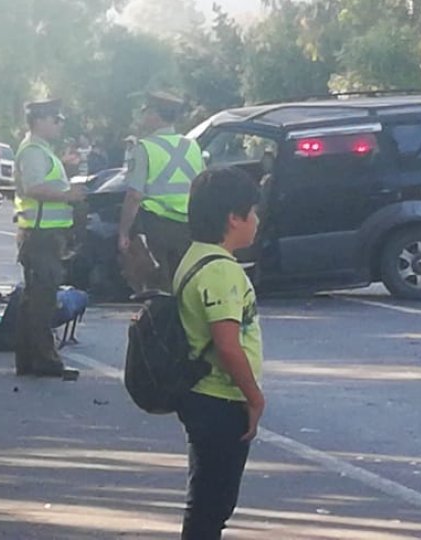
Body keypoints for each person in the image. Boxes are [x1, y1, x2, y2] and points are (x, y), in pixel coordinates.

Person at [174, 166, 264, 539]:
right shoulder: (221, 271)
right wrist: (254, 398)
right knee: (213, 504)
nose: (256, 220)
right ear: (233, 218)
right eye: (253, 212)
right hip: (220, 398)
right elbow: (227, 344)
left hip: (203, 396)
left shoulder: (195, 256)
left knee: (208, 499)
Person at [12, 99, 86, 380]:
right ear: (40, 121)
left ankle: (30, 359)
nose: (60, 124)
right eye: (56, 119)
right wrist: (70, 195)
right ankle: (45, 360)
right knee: (42, 302)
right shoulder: (33, 151)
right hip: (39, 235)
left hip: (43, 235)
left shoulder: (41, 150)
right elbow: (34, 188)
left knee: (35, 299)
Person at [118, 91, 204, 293]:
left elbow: (134, 195)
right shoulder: (192, 146)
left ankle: (161, 323)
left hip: (157, 227)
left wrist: (123, 232)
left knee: (158, 287)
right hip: (189, 226)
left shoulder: (145, 148)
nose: (144, 116)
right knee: (185, 283)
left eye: (146, 111)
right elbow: (203, 184)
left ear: (155, 114)